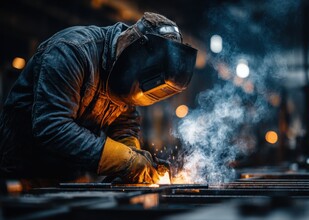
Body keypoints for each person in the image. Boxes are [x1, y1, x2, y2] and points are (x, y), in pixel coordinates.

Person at [0, 12, 197, 187]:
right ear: (134, 49)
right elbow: (52, 125)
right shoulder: (71, 51)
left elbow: (124, 124)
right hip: (23, 174)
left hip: (68, 178)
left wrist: (132, 161)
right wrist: (125, 161)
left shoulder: (126, 75)